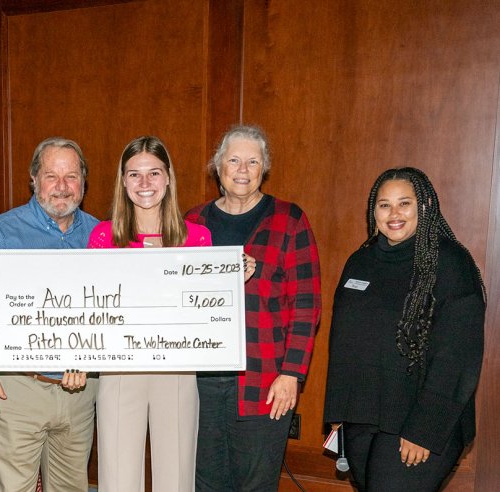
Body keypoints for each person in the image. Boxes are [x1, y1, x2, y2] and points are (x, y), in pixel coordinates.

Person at [324, 167, 485, 491]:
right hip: (362, 415)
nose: (394, 213)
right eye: (384, 205)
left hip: (420, 420)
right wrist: (339, 409)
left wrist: (425, 429)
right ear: (374, 211)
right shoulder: (360, 260)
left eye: (404, 203)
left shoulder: (451, 263)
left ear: (424, 206)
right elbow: (343, 341)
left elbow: (457, 357)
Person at [0, 137, 99, 491]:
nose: (62, 186)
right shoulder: (1, 233)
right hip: (16, 389)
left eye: (71, 176)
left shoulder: (101, 236)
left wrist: (91, 359)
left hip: (80, 393)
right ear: (34, 180)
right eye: (51, 176)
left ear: (84, 181)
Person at [185, 125, 321, 491]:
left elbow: (306, 304)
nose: (242, 170)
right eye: (233, 160)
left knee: (256, 483)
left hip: (263, 380)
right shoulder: (192, 222)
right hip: (199, 382)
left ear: (265, 168)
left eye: (253, 161)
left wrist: (291, 374)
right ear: (218, 167)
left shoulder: (289, 220)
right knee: (204, 482)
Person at [88, 135, 218, 491]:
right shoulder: (103, 237)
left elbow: (207, 309)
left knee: (176, 478)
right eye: (134, 174)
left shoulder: (198, 238)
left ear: (168, 178)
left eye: (154, 173)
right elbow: (91, 307)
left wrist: (230, 277)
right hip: (118, 368)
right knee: (117, 479)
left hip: (177, 369)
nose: (144, 183)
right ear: (123, 181)